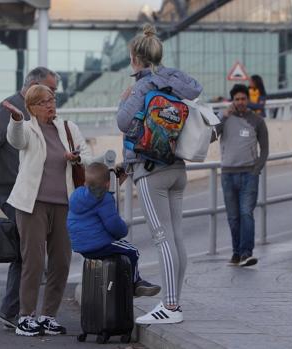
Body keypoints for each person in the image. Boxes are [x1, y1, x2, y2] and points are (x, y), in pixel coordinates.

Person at [116, 24, 203, 325]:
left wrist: (126, 97)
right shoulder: (176, 80)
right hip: (177, 167)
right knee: (176, 236)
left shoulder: (141, 86)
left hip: (150, 169)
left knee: (161, 237)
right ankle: (174, 302)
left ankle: (170, 306)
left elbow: (123, 122)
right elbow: (197, 89)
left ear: (134, 58)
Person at [4, 84, 93, 336]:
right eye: (43, 102)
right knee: (33, 261)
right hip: (32, 205)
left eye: (52, 99)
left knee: (61, 261)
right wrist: (16, 120)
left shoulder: (68, 128)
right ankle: (25, 317)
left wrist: (75, 158)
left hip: (65, 204)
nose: (50, 105)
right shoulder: (28, 128)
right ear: (31, 107)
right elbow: (16, 140)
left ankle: (48, 316)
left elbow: (88, 156)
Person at [0, 67, 59, 329]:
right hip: (12, 191)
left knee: (24, 252)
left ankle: (12, 310)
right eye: (51, 90)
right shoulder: (10, 108)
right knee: (28, 253)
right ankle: (13, 311)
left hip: (31, 192)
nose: (53, 96)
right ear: (34, 86)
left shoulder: (37, 112)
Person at [67, 162, 161, 296]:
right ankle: (136, 284)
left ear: (85, 182)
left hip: (81, 247)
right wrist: (124, 230)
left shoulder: (77, 195)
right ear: (107, 184)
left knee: (118, 253)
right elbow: (114, 226)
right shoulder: (105, 199)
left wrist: (118, 182)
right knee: (132, 251)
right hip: (99, 245)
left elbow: (97, 197)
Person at [216, 84, 268, 268]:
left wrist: (256, 169)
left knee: (246, 213)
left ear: (248, 99)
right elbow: (211, 137)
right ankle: (236, 253)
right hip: (228, 175)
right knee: (233, 217)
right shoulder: (225, 119)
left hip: (248, 175)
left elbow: (265, 149)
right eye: (236, 99)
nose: (240, 102)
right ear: (233, 101)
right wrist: (223, 117)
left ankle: (247, 253)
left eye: (243, 99)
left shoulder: (257, 121)